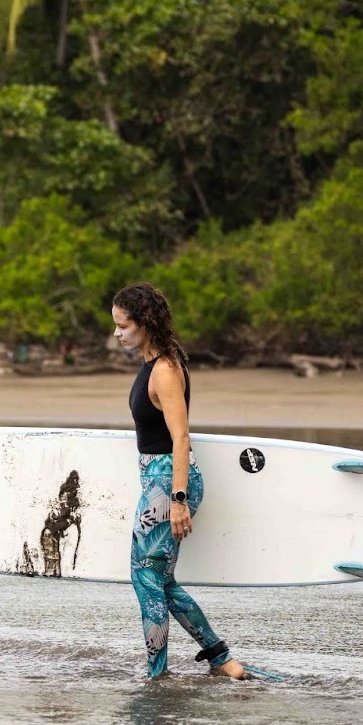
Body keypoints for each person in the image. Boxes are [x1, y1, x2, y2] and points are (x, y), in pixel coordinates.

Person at [111, 282, 249, 680]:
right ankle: (223, 660)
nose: (117, 333)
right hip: (157, 480)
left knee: (143, 575)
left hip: (168, 481)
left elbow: (181, 437)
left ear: (145, 323)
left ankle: (157, 674)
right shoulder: (153, 363)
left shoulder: (167, 369)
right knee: (160, 578)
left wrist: (177, 499)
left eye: (123, 325)